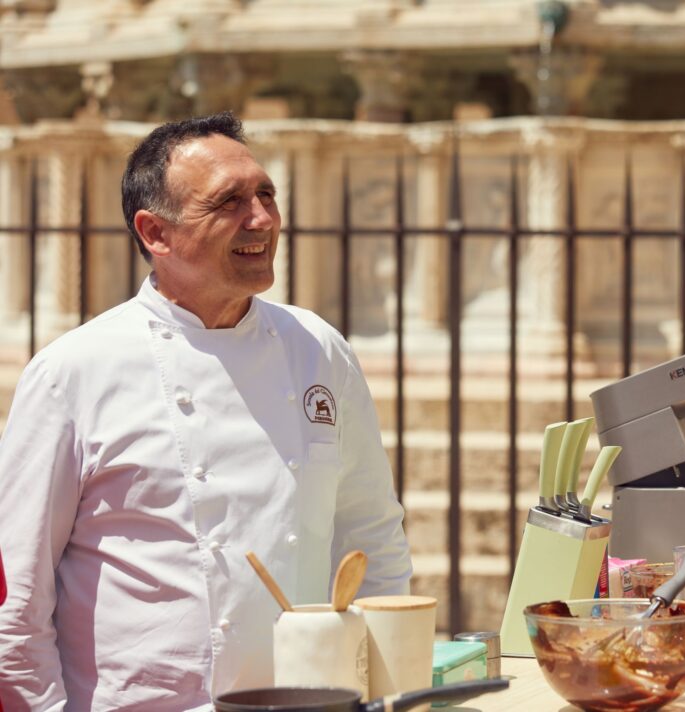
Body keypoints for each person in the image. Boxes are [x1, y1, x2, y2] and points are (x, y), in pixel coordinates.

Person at [0, 112, 413, 711]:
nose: (263, 219)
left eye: (266, 194)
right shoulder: (73, 372)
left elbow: (372, 540)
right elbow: (17, 598)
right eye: (230, 201)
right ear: (155, 233)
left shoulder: (318, 350)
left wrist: (384, 692)